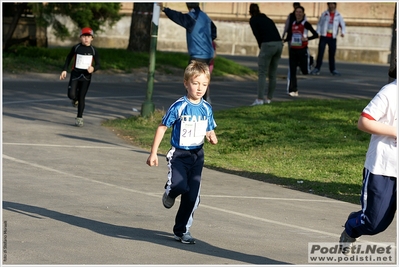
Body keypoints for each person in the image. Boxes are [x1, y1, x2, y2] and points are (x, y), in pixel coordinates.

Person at [146, 61, 218, 244]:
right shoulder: (179, 106)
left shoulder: (207, 108)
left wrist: (211, 135)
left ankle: (182, 230)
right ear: (186, 83)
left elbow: (209, 128)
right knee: (179, 186)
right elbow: (162, 128)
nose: (200, 88)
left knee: (192, 196)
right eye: (195, 83)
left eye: (204, 84)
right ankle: (169, 193)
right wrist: (153, 153)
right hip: (179, 155)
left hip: (197, 156)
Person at [339, 64, 397, 255]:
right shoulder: (390, 92)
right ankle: (352, 227)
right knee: (374, 223)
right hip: (384, 168)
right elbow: (364, 121)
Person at [159, 2, 216, 103]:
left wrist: (165, 9)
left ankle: (193, 106)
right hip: (208, 55)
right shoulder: (204, 16)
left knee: (192, 82)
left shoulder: (192, 17)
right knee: (202, 80)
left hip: (198, 55)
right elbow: (214, 30)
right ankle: (203, 102)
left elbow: (178, 17)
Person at [60, 27, 100, 127]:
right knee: (71, 95)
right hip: (75, 74)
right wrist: (65, 69)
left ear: (92, 38)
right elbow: (69, 58)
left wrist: (93, 69)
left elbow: (99, 64)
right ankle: (74, 99)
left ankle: (79, 117)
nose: (86, 38)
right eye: (84, 36)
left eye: (88, 36)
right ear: (80, 37)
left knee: (82, 97)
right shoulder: (76, 48)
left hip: (86, 76)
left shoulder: (93, 50)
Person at [249, 3, 283, 105]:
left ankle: (259, 99)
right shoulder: (267, 19)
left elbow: (257, 35)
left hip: (268, 45)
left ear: (250, 12)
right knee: (273, 73)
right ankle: (269, 99)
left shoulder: (253, 20)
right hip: (279, 44)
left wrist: (261, 47)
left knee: (262, 72)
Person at [284, 5, 318, 97]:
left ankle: (310, 60)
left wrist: (307, 38)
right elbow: (290, 36)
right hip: (293, 50)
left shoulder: (305, 24)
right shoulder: (293, 23)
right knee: (292, 70)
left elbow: (316, 35)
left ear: (303, 14)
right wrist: (284, 40)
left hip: (302, 50)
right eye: (296, 12)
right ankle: (293, 90)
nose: (298, 14)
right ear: (294, 13)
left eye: (300, 12)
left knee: (305, 71)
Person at [310, 2, 346, 76]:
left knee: (332, 54)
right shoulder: (324, 14)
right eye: (330, 4)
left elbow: (342, 24)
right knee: (320, 53)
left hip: (332, 37)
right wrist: (318, 33)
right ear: (328, 5)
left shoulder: (338, 15)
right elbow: (320, 24)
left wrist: (343, 32)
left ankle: (333, 69)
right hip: (324, 36)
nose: (331, 6)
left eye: (333, 4)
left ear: (335, 6)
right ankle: (317, 68)